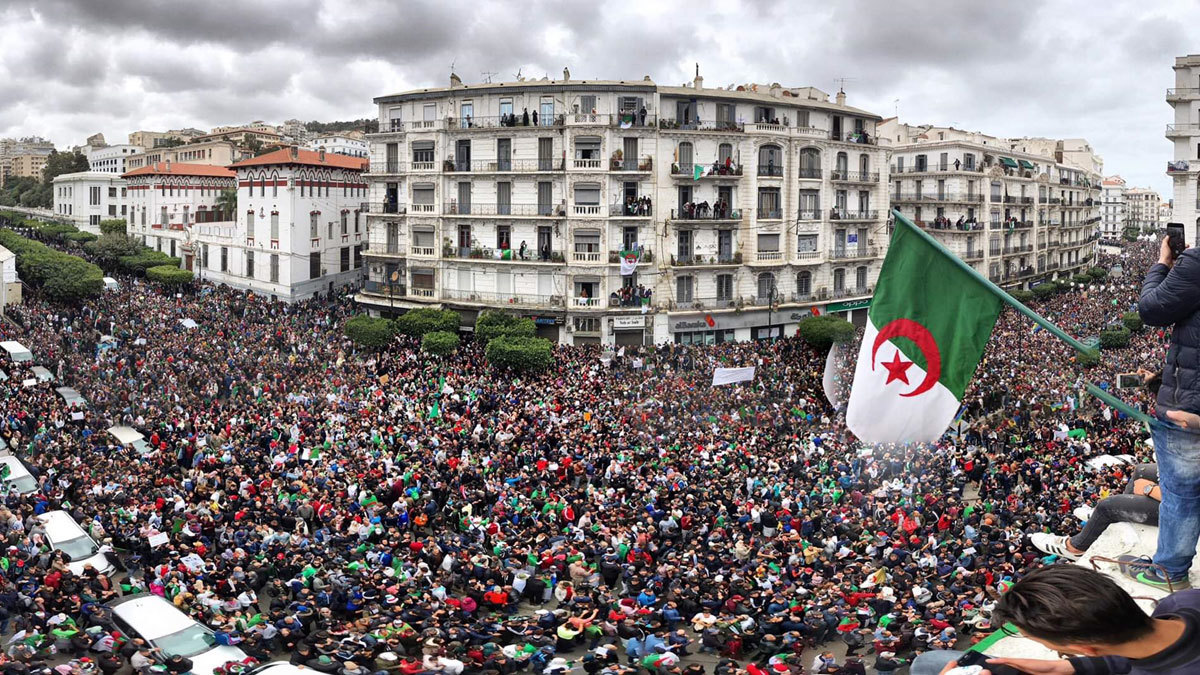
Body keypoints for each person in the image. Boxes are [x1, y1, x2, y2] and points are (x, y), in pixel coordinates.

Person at [911, 565, 1200, 674]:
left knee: (928, 665)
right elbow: (1137, 654)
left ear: (1086, 648)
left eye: (1047, 644)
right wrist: (1067, 666)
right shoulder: (1182, 602)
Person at [1124, 234, 1200, 589]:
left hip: (1189, 416)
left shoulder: (1196, 263)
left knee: (1181, 494)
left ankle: (1168, 570)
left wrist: (1163, 262)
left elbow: (1151, 309)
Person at [1030, 464, 1161, 560]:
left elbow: (1175, 500)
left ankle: (1077, 547)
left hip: (1172, 505)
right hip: (1173, 489)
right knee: (1142, 471)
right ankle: (1123, 509)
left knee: (1106, 506)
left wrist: (1149, 489)